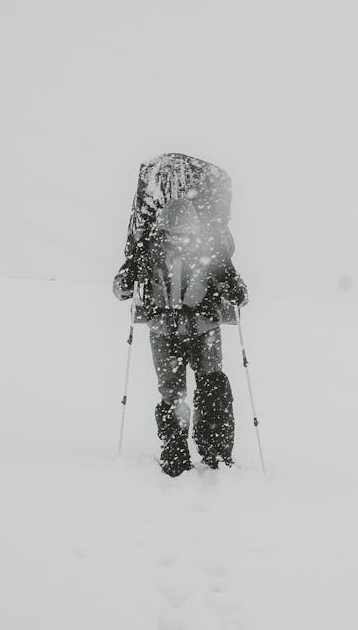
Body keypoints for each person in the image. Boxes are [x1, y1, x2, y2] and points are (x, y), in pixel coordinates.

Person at [112, 153, 248, 476]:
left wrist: (127, 283)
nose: (179, 241)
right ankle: (210, 453)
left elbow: (121, 286)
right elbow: (238, 289)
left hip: (169, 330)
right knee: (203, 387)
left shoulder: (153, 247)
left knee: (183, 392)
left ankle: (180, 454)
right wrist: (236, 292)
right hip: (197, 330)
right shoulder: (202, 249)